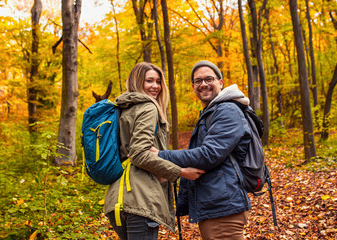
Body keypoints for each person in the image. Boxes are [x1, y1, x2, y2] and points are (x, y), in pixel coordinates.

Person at [150, 60, 252, 240]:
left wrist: (160, 155)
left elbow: (208, 154)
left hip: (223, 208)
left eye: (209, 79)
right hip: (216, 204)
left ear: (221, 82)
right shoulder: (212, 112)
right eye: (198, 81)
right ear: (193, 86)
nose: (203, 84)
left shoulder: (227, 110)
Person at [104, 62, 205, 240]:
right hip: (140, 198)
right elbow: (139, 153)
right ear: (136, 81)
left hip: (117, 199)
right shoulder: (148, 107)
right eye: (149, 81)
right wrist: (180, 172)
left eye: (158, 81)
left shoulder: (122, 108)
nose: (155, 86)